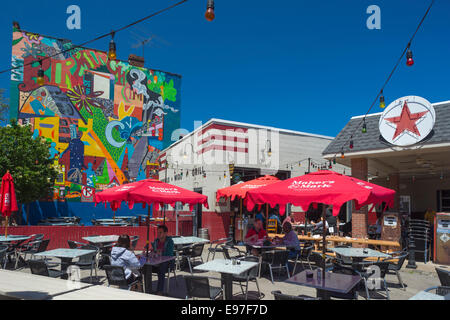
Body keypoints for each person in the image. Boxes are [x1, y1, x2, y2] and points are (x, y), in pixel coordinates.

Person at [151, 225, 174, 295]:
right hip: (156, 262)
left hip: (168, 263)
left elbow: (169, 254)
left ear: (166, 233)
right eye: (158, 232)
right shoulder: (156, 241)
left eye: (160, 232)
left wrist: (159, 252)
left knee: (162, 268)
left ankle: (159, 291)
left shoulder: (170, 241)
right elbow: (153, 251)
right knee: (146, 268)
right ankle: (147, 289)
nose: (158, 234)